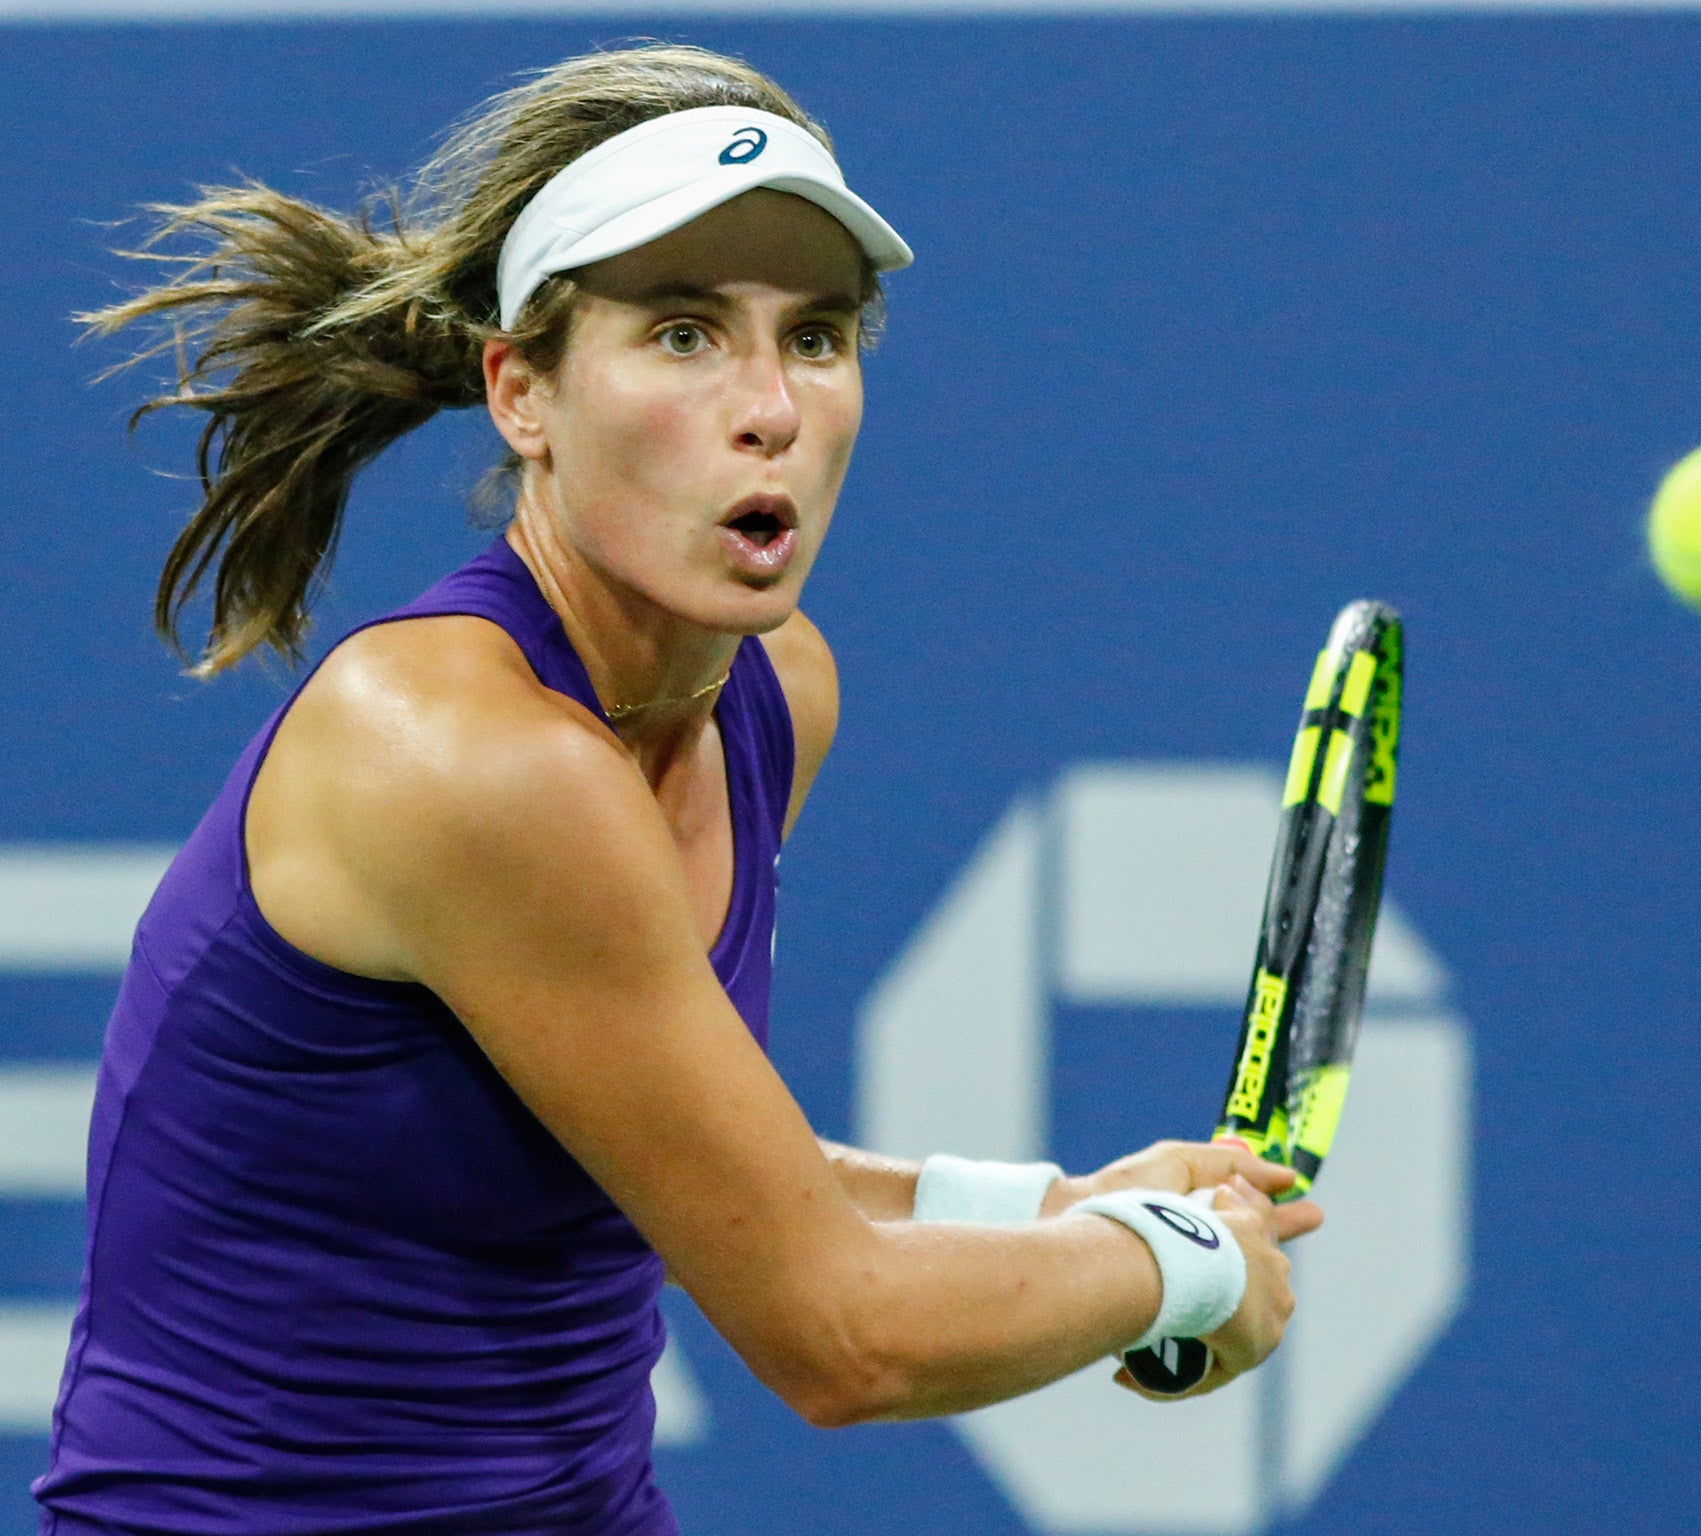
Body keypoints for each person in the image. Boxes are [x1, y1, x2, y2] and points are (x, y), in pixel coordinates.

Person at [34, 42, 1320, 1535]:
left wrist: (1058, 1214)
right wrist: (1184, 1260)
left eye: (819, 337)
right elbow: (843, 1337)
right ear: (523, 392)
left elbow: (700, 1166)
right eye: (686, 335)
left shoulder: (776, 695)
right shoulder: (465, 755)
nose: (771, 405)